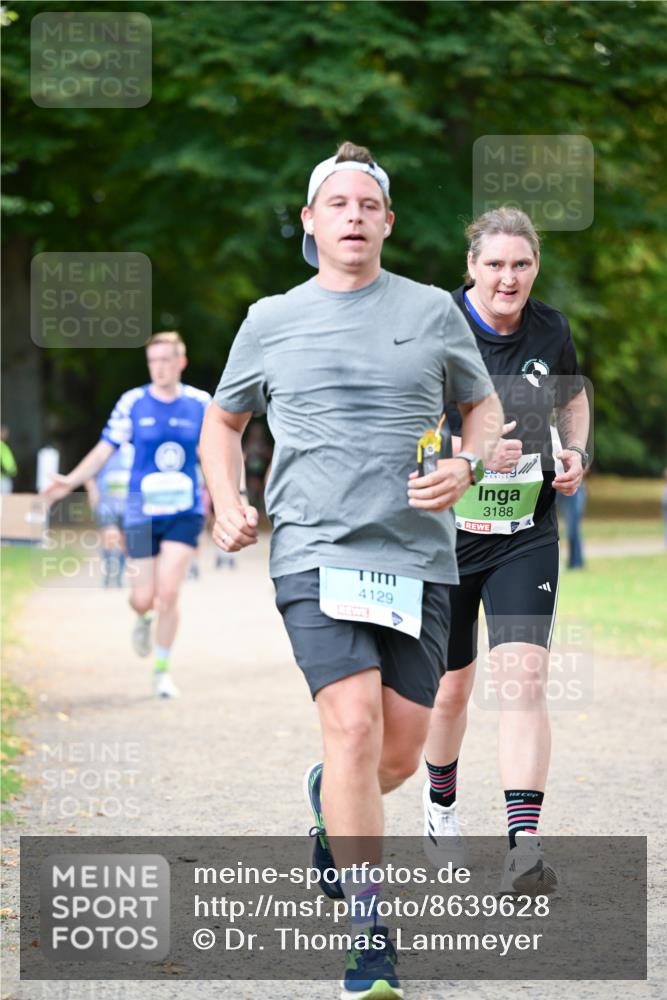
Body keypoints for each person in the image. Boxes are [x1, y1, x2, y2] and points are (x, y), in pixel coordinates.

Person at [200, 142, 503, 999]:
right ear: (310, 221)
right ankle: (370, 930)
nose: (354, 217)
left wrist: (468, 468)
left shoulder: (432, 312)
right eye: (337, 204)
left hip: (416, 555)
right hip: (312, 551)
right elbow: (223, 423)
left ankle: (327, 800)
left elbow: (479, 408)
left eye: (368, 205)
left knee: (399, 754)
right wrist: (226, 499)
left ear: (388, 222)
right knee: (354, 729)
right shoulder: (269, 319)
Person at [421, 207, 590, 894]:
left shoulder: (549, 327)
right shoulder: (439, 328)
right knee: (449, 689)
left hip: (524, 537)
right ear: (471, 267)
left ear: (534, 268)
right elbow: (407, 427)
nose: (507, 278)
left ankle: (523, 846)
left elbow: (572, 395)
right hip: (445, 539)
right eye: (494, 264)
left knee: (520, 680)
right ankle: (439, 810)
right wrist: (471, 454)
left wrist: (574, 449)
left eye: (520, 264)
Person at [41, 332, 212, 698]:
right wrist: (71, 480)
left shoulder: (200, 403)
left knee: (169, 593)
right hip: (140, 512)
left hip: (184, 509)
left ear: (181, 362)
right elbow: (105, 450)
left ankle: (162, 671)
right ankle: (142, 617)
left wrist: (235, 494)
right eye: (154, 360)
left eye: (167, 359)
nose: (160, 367)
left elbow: (216, 452)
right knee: (143, 598)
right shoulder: (133, 402)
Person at [85, 441, 134, 587]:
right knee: (110, 537)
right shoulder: (105, 450)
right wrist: (93, 491)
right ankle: (107, 574)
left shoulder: (134, 451)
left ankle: (118, 576)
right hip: (107, 504)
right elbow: (88, 473)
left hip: (128, 506)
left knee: (124, 541)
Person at [0, 425, 18, 494]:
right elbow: (7, 465)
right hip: (2, 479)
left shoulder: (4, 445)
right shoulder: (2, 446)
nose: (6, 435)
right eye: (4, 432)